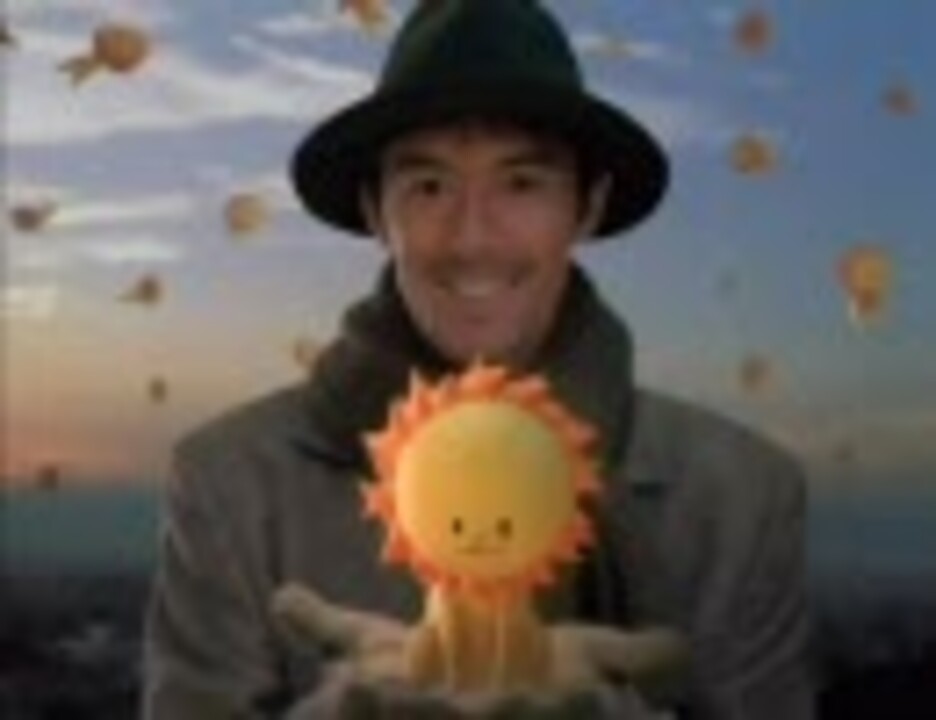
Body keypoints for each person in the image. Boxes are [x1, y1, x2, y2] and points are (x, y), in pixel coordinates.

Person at [141, 0, 815, 718]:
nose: (471, 239)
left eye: (521, 183)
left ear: (588, 207)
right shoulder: (229, 487)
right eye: (429, 186)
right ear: (375, 210)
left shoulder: (742, 500)